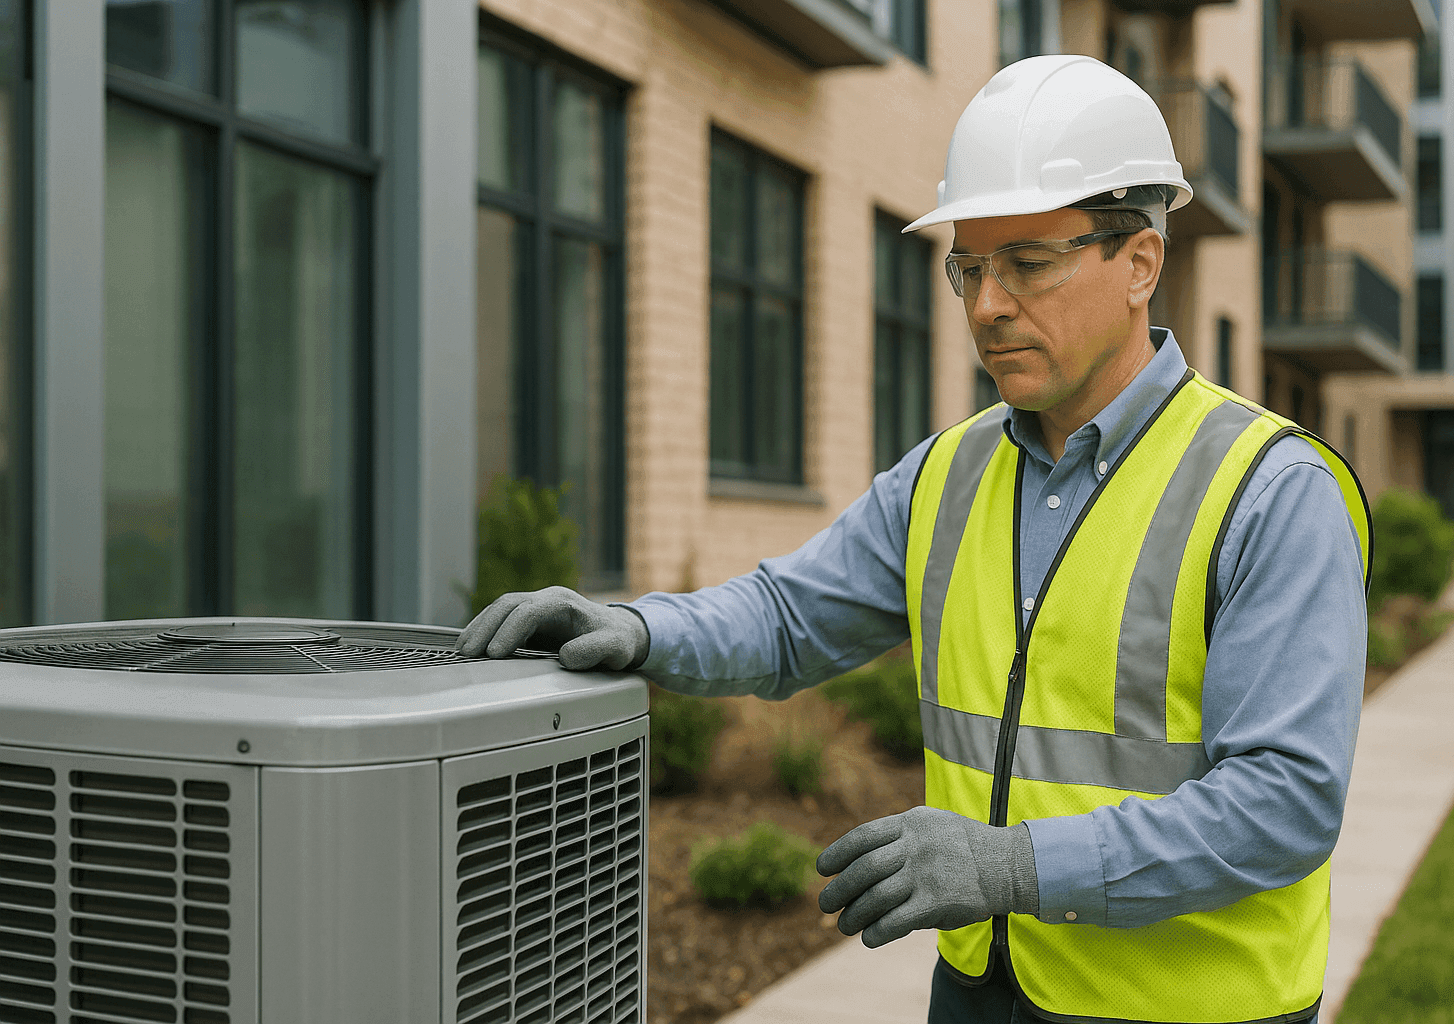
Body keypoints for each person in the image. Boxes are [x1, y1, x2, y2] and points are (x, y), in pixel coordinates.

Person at [457, 54, 1370, 1024]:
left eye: (1027, 263)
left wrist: (1009, 864)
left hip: (1191, 1009)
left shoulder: (1270, 489)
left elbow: (1284, 801)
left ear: (1139, 261)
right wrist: (636, 628)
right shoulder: (949, 472)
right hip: (982, 990)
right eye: (968, 268)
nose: (985, 306)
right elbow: (785, 615)